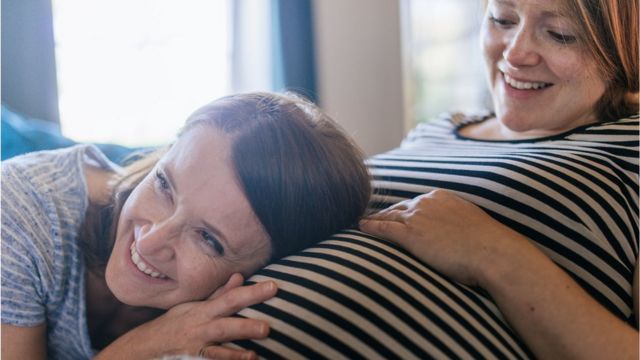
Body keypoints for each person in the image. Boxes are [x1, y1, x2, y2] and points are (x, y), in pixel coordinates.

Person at [359, 0, 638, 358]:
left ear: (624, 45)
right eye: (502, 19)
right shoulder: (438, 130)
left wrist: (493, 254)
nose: (516, 53)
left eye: (560, 35)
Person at [1, 92, 371, 359]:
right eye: (164, 185)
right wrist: (142, 346)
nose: (150, 242)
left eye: (208, 239)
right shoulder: (21, 210)